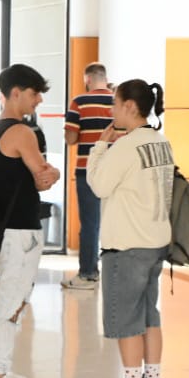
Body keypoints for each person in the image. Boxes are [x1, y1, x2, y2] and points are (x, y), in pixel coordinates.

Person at [86, 79, 175, 378]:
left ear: (128, 107)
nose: (111, 110)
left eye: (114, 103)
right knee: (149, 315)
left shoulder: (126, 145)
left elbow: (98, 185)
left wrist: (99, 147)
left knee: (125, 318)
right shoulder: (161, 142)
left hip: (127, 244)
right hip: (155, 243)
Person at [0, 65, 62, 378]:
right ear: (15, 93)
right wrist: (53, 170)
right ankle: (0, 375)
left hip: (10, 228)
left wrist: (45, 171)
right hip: (20, 230)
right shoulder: (21, 132)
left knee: (10, 298)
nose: (39, 99)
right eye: (33, 93)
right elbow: (43, 176)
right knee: (12, 300)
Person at [63, 62, 112, 291]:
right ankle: (116, 272)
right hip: (116, 171)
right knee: (116, 222)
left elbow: (71, 139)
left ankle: (88, 273)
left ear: (88, 79)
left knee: (90, 224)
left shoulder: (79, 102)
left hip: (87, 171)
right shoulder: (119, 102)